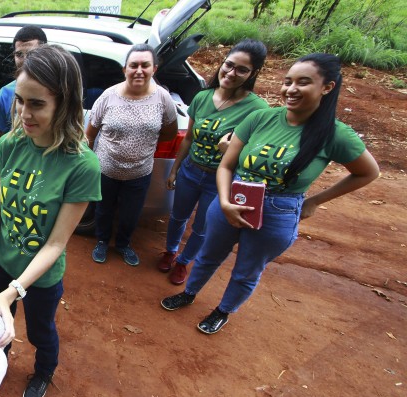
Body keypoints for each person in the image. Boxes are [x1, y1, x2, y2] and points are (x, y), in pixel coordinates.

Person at [161, 53, 380, 334]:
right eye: (287, 82)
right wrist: (225, 201)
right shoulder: (261, 118)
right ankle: (189, 294)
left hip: (278, 211)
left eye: (303, 83)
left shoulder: (335, 134)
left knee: (247, 269)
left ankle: (222, 310)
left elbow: (368, 172)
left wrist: (314, 202)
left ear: (327, 87)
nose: (291, 89)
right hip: (233, 197)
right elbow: (227, 163)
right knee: (208, 255)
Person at [0, 45, 101, 397]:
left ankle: (44, 371)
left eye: (37, 104)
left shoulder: (82, 165)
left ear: (65, 103)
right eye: (20, 101)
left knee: (42, 331)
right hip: (0, 261)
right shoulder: (11, 144)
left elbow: (56, 244)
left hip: (40, 277)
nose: (24, 114)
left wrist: (14, 290)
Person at [158, 39, 270, 285]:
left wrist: (233, 152)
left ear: (253, 73)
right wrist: (175, 169)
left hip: (220, 179)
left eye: (241, 70)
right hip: (190, 171)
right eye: (228, 65)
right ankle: (170, 250)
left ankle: (184, 261)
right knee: (178, 217)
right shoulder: (203, 97)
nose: (231, 73)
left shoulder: (258, 109)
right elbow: (189, 138)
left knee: (202, 226)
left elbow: (257, 155)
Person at [87, 43, 178, 266]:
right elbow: (89, 134)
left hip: (140, 172)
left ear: (154, 69)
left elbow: (169, 133)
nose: (139, 70)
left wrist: (143, 146)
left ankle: (123, 244)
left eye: (145, 65)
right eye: (133, 65)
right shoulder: (108, 96)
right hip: (105, 169)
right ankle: (101, 242)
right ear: (124, 69)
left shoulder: (163, 99)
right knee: (103, 210)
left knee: (131, 214)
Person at [0, 25, 47, 140]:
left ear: (45, 52)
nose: (25, 60)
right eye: (19, 54)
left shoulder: (57, 91)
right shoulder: (4, 94)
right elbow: (1, 139)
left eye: (31, 53)